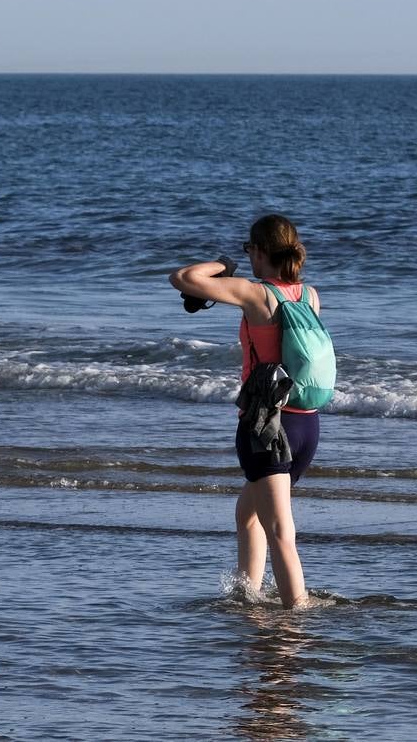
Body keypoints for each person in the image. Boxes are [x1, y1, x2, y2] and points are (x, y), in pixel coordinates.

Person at [169, 214, 322, 609]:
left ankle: (297, 618)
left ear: (258, 250)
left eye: (248, 250)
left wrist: (224, 265)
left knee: (279, 531)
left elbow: (184, 277)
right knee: (248, 516)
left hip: (266, 425)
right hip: (306, 424)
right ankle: (248, 598)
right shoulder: (308, 295)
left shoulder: (257, 294)